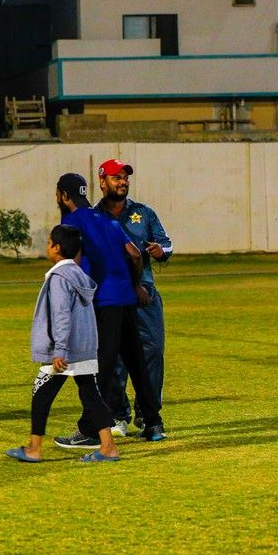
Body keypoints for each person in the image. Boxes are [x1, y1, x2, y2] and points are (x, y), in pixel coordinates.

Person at [52, 173, 167, 446]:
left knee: (100, 368)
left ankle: (91, 430)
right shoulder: (106, 219)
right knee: (137, 363)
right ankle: (153, 423)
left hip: (103, 302)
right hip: (125, 298)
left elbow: (73, 265)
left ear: (64, 196)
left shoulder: (71, 223)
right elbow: (135, 253)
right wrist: (135, 285)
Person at [6, 225, 120, 463]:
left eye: (49, 243)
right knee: (90, 394)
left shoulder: (59, 278)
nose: (47, 246)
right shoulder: (78, 274)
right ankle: (108, 447)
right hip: (84, 347)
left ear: (57, 248)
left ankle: (34, 448)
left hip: (65, 350)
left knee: (41, 393)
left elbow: (61, 315)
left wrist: (59, 350)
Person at [94, 158, 172, 435]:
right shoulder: (93, 218)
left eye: (125, 177)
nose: (123, 182)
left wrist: (161, 252)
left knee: (153, 351)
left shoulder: (143, 213)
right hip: (110, 297)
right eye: (116, 177)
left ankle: (148, 415)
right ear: (102, 181)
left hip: (144, 296)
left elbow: (166, 243)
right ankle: (118, 415)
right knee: (113, 356)